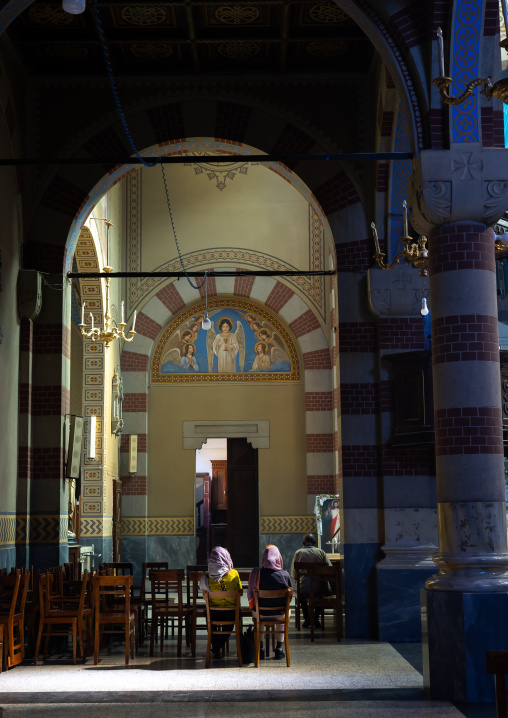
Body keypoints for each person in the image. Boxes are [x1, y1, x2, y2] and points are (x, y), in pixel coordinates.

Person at [247, 545, 293, 661]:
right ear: (278, 558)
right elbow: (290, 598)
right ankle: (279, 649)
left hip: (261, 613)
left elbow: (251, 594)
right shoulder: (285, 575)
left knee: (259, 613)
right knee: (285, 610)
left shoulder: (256, 573)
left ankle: (261, 650)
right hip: (279, 614)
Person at [199, 546, 242, 658]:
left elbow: (205, 597)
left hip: (214, 613)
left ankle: (215, 646)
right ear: (226, 558)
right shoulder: (234, 574)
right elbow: (240, 592)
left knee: (208, 615)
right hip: (231, 613)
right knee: (233, 619)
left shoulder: (207, 578)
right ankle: (218, 646)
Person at [290, 533, 331, 629]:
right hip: (319, 588)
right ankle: (316, 618)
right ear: (315, 542)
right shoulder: (321, 552)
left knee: (301, 595)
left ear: (303, 542)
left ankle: (307, 618)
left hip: (304, 588)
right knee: (320, 592)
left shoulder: (298, 553)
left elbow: (294, 574)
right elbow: (329, 569)